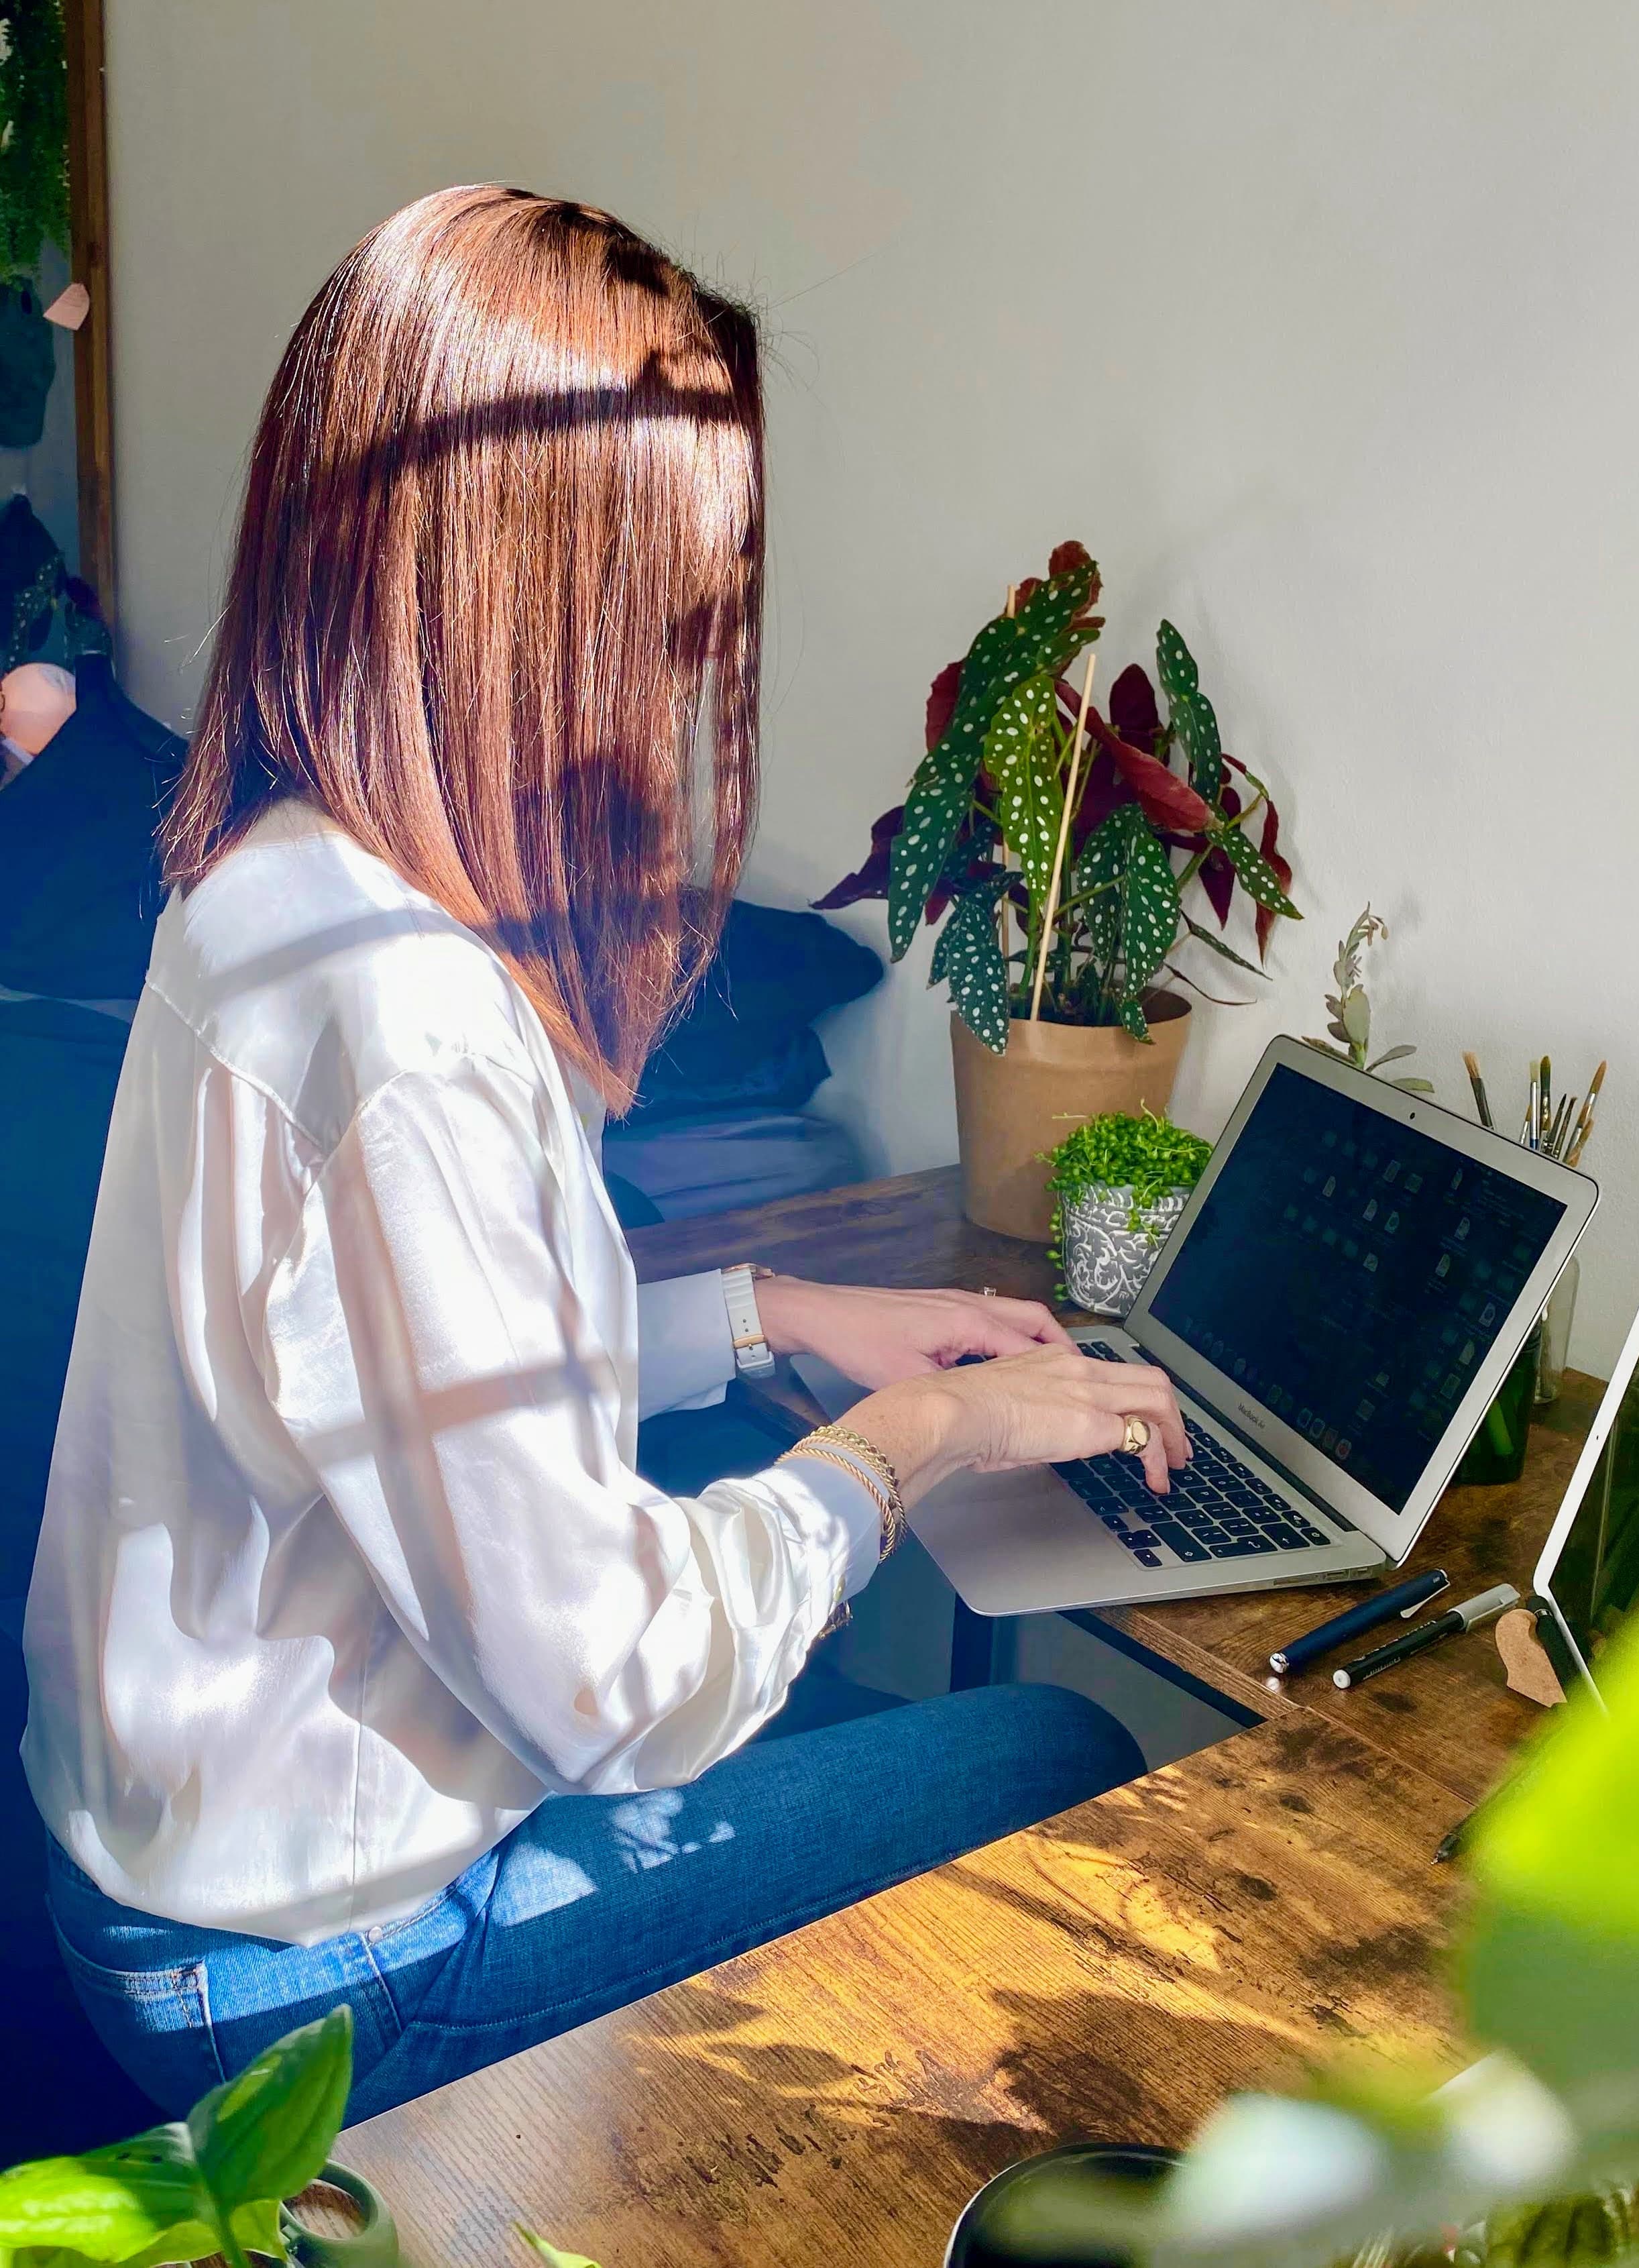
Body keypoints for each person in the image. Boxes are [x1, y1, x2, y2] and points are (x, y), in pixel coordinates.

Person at [22, 187, 1189, 2125]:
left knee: (842, 1661)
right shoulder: (408, 1016)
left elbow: (387, 1390)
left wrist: (768, 1316)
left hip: (167, 1873)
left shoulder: (281, 873)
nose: (704, 633)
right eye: (692, 571)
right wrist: (920, 1445)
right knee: (1042, 1754)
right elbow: (607, 1685)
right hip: (321, 1987)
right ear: (543, 576)